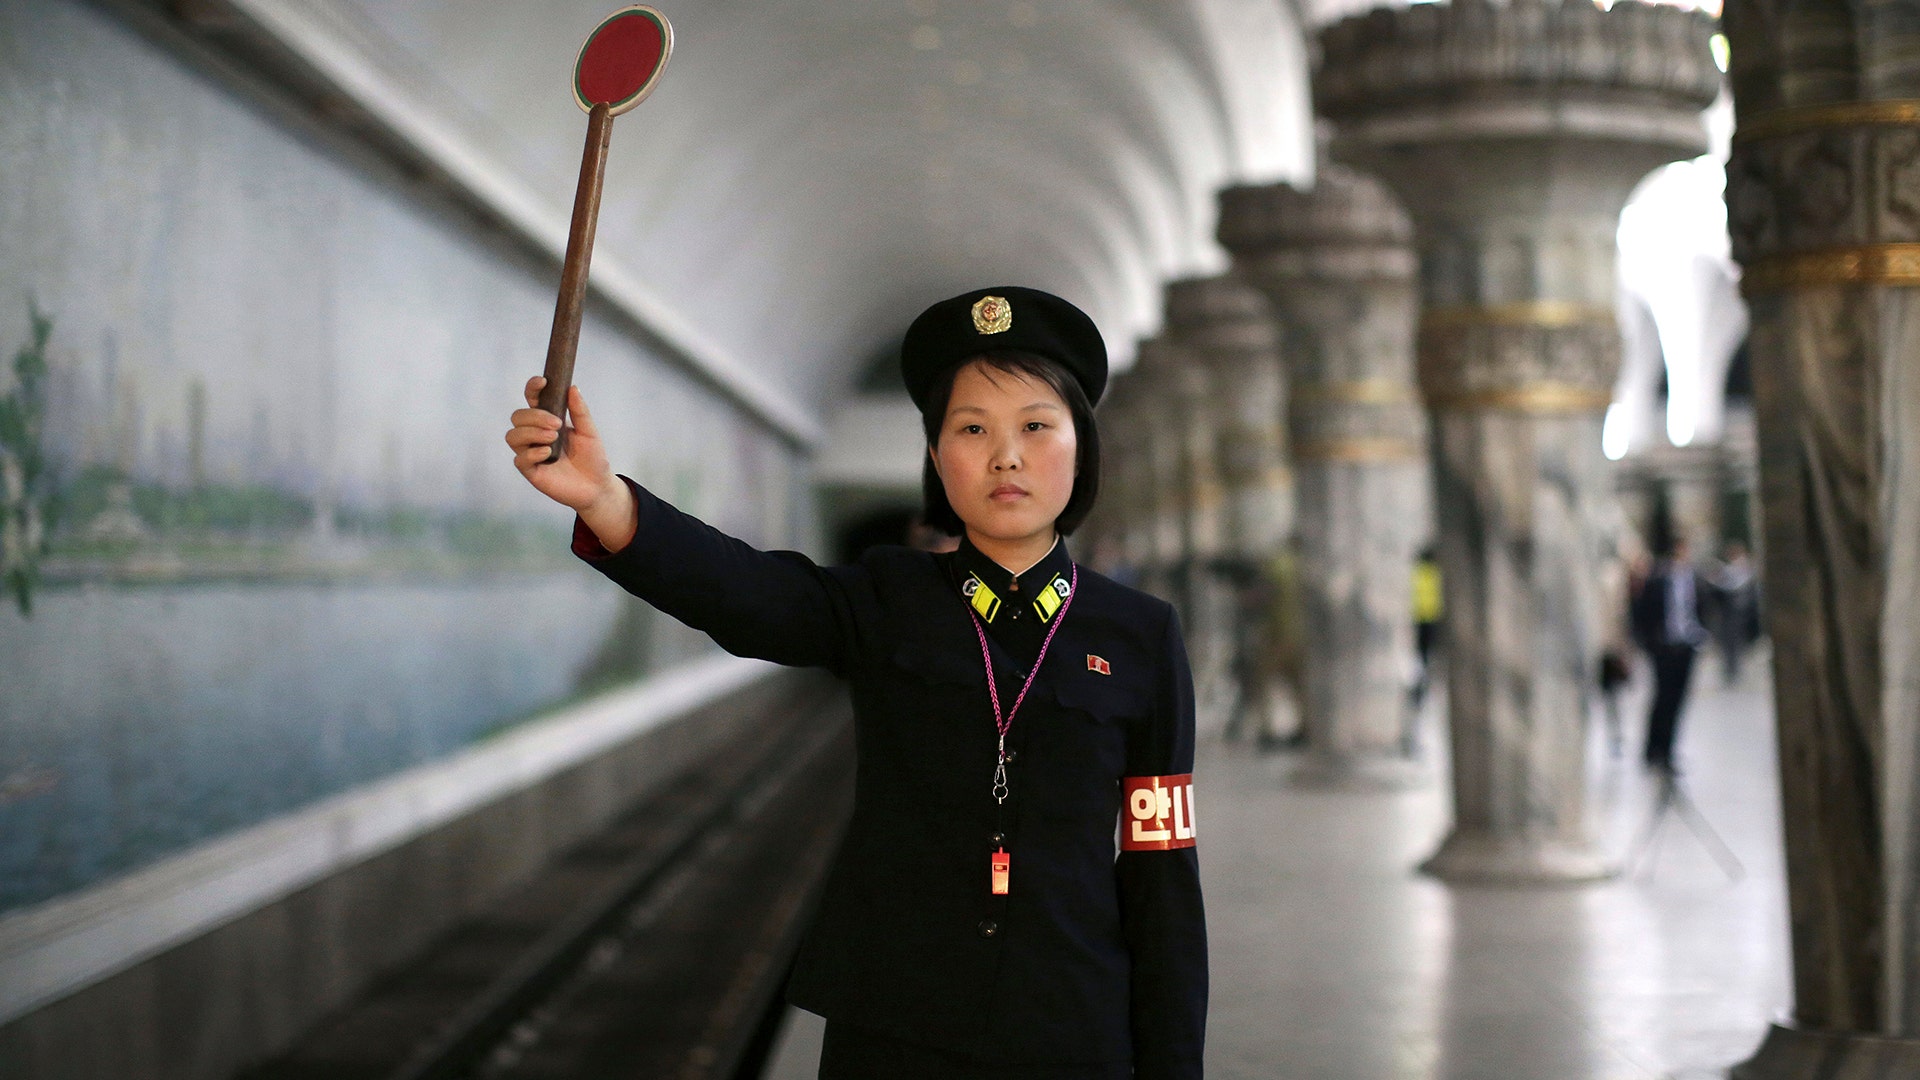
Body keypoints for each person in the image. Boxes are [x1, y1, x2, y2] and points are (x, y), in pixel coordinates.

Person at [505, 286, 1207, 1079]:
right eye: (971, 429)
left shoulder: (1140, 637)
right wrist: (604, 497)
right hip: (895, 1023)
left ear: (1082, 446)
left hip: (1072, 1026)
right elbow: (746, 593)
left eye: (1036, 427)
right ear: (937, 458)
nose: (1005, 455)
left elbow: (1160, 870)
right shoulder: (886, 598)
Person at [1630, 536, 1709, 774]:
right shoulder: (1658, 579)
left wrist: (1700, 636)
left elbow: (1703, 608)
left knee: (1677, 700)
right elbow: (1641, 613)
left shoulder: (1695, 579)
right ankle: (1653, 750)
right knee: (1661, 699)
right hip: (1663, 648)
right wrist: (1648, 644)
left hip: (1686, 647)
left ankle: (1668, 751)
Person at [1711, 541, 1759, 685]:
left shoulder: (1744, 571)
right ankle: (1731, 669)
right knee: (1730, 644)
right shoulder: (1729, 571)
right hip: (1729, 615)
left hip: (1741, 615)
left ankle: (1734, 669)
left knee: (1736, 643)